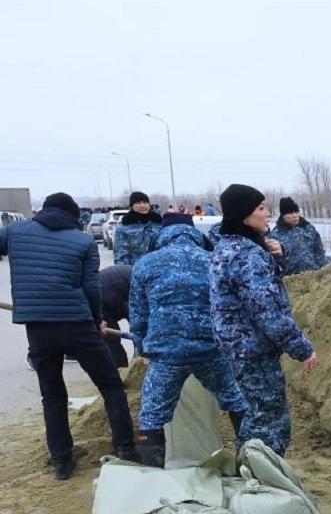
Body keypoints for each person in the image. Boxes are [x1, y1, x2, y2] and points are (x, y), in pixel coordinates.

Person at [0, 192, 137, 478]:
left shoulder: (14, 231)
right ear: (73, 216)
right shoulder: (83, 240)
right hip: (77, 324)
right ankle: (125, 448)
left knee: (52, 395)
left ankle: (62, 462)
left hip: (38, 327)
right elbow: (91, 288)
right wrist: (98, 320)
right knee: (111, 385)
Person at [129, 215, 249, 466]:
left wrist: (143, 348)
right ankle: (250, 457)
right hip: (211, 349)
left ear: (162, 234)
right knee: (235, 399)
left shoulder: (145, 264)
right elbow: (230, 307)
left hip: (166, 352)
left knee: (151, 414)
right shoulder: (213, 260)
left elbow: (138, 317)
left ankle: (152, 470)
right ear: (195, 233)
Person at [209, 184, 318, 456]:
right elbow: (267, 311)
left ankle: (245, 470)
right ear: (244, 216)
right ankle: (264, 481)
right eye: (260, 208)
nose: (268, 214)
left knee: (255, 414)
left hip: (239, 347)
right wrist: (301, 348)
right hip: (254, 349)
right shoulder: (247, 255)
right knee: (271, 422)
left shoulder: (229, 247)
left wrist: (276, 257)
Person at [269, 197, 328, 276]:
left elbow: (319, 253)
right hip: (291, 280)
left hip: (314, 277)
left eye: (296, 212)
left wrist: (326, 271)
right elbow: (273, 262)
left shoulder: (308, 229)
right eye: (290, 213)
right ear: (283, 215)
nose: (295, 215)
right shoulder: (275, 235)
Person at [113, 191, 163, 266]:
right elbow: (120, 255)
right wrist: (124, 274)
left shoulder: (159, 223)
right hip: (134, 271)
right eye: (138, 203)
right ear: (132, 206)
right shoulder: (124, 226)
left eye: (145, 202)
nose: (142, 205)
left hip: (158, 270)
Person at [99, 264, 133, 368]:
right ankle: (121, 372)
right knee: (110, 339)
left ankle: (121, 372)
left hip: (122, 288)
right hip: (112, 291)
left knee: (110, 340)